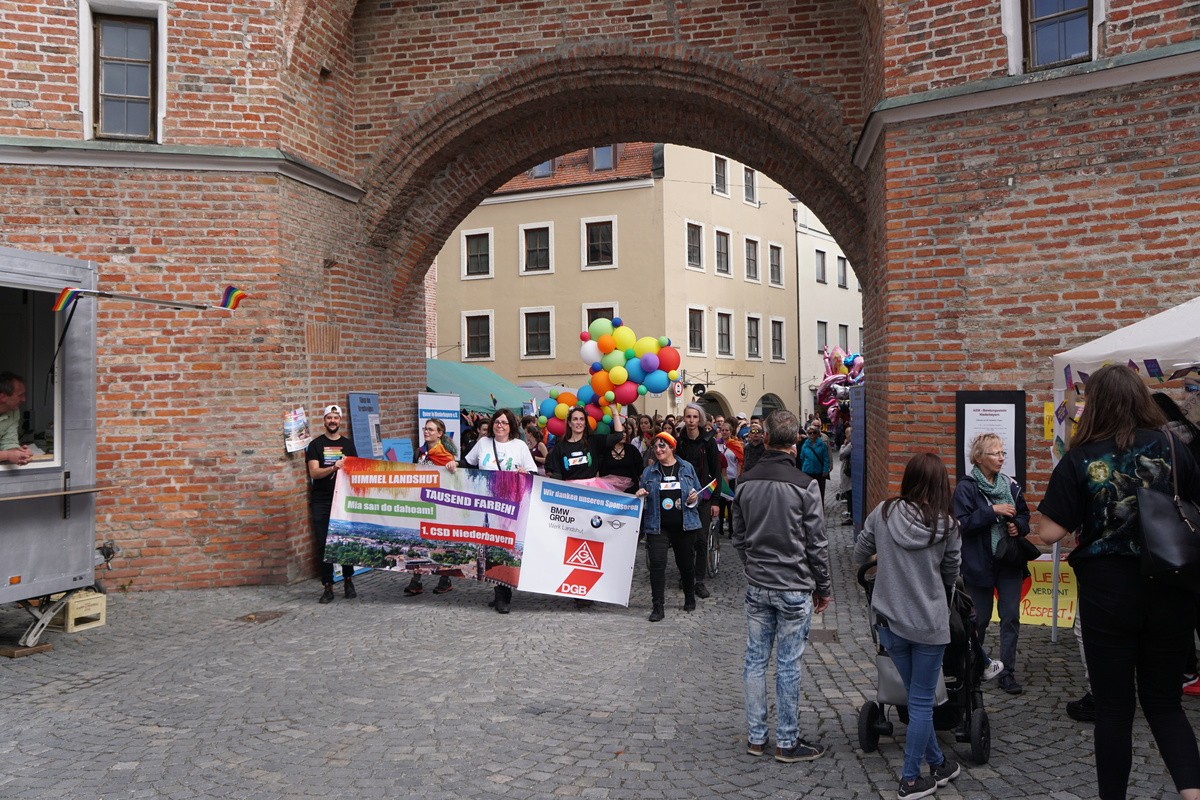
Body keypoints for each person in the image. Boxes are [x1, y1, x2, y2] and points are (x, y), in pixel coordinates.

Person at [1038, 364, 1200, 800]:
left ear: (1095, 407)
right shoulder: (1173, 446)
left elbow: (1049, 532)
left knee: (1113, 710)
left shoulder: (1081, 457)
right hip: (1171, 585)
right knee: (1165, 704)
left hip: (1108, 592)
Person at [854, 452, 962, 799]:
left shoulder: (883, 512)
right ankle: (911, 779)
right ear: (941, 485)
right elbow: (951, 574)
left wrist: (887, 561)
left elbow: (860, 553)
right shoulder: (947, 526)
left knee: (916, 696)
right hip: (929, 623)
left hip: (890, 621)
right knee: (920, 702)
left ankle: (939, 763)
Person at [732, 410, 831, 764]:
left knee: (755, 661)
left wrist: (751, 566)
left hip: (760, 583)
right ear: (795, 443)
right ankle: (786, 741)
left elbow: (739, 537)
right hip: (793, 584)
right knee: (788, 664)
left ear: (766, 438)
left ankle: (756, 737)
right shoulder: (805, 485)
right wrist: (823, 586)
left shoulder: (745, 482)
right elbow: (816, 543)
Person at [952, 432, 1030, 694]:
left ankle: (1007, 672)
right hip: (979, 563)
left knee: (1011, 617)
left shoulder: (1010, 485)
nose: (1001, 458)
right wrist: (991, 511)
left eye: (1002, 453)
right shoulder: (966, 487)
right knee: (979, 620)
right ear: (979, 457)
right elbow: (960, 524)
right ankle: (974, 668)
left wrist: (1019, 526)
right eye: (995, 453)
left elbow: (1025, 515)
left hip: (1008, 561)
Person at [464, 408, 536, 614]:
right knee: (491, 546)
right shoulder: (483, 444)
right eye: (497, 422)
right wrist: (451, 464)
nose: (500, 426)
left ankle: (503, 595)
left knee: (504, 547)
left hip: (510, 505)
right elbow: (466, 465)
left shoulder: (519, 446)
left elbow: (532, 472)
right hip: (487, 505)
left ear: (511, 426)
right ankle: (499, 591)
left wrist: (524, 473)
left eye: (504, 422)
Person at [635, 431, 703, 621]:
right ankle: (658, 607)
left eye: (662, 445)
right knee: (657, 565)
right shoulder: (649, 472)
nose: (658, 449)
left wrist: (695, 498)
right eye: (655, 446)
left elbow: (699, 492)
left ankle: (689, 596)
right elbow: (643, 495)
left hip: (684, 525)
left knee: (686, 563)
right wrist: (640, 494)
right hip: (658, 526)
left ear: (672, 447)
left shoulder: (686, 467)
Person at [306, 404, 359, 604]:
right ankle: (327, 585)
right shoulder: (315, 445)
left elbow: (356, 472)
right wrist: (333, 467)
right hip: (321, 500)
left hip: (343, 500)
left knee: (344, 540)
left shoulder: (348, 445)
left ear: (340, 420)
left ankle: (348, 580)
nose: (332, 421)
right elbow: (314, 472)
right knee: (323, 543)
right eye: (329, 417)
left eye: (336, 418)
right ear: (324, 420)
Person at [406, 418, 459, 596]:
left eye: (430, 429)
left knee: (440, 543)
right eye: (425, 429)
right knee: (418, 541)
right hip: (421, 502)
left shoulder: (446, 455)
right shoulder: (419, 452)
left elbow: (453, 481)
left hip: (439, 503)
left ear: (440, 433)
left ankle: (445, 579)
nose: (426, 432)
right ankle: (416, 580)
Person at [676, 403, 721, 599]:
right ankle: (686, 575)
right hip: (684, 496)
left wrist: (716, 501)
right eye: (688, 417)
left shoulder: (708, 441)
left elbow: (716, 472)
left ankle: (699, 580)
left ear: (700, 419)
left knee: (701, 540)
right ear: (684, 418)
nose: (692, 421)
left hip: (704, 496)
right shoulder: (679, 442)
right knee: (685, 540)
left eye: (695, 417)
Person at [545, 406, 624, 481]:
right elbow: (557, 475)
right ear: (569, 423)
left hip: (590, 488)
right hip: (569, 489)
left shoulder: (594, 441)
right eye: (575, 419)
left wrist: (614, 410)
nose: (579, 422)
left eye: (582, 419)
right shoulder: (560, 447)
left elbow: (618, 436)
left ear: (585, 423)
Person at [0, 372, 33, 466]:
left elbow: (9, 442)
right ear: (3, 397)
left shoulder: (13, 411)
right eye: (20, 395)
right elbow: (7, 454)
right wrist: (7, 455)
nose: (24, 399)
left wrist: (20, 453)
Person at [797, 424, 832, 503]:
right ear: (807, 434)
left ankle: (820, 508)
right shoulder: (805, 445)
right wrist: (804, 467)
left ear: (817, 433)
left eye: (814, 432)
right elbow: (802, 458)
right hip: (807, 472)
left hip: (819, 473)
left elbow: (826, 458)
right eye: (810, 433)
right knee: (808, 493)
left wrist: (825, 470)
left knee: (820, 493)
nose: (812, 434)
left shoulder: (822, 445)